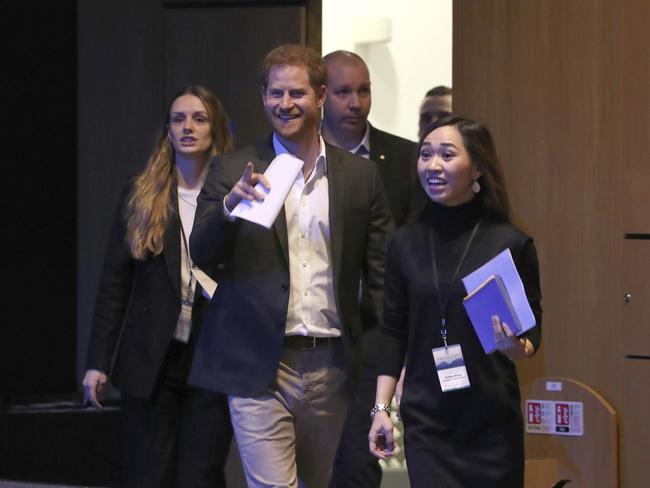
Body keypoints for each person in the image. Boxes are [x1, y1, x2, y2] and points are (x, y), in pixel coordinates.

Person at [187, 44, 392, 488]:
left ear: (320, 96)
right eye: (275, 93)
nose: (285, 104)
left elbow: (379, 279)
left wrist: (383, 364)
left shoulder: (359, 177)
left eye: (296, 93)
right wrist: (230, 205)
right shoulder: (230, 171)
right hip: (258, 364)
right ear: (263, 96)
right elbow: (201, 253)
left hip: (332, 365)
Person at [369, 115, 542, 487]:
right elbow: (394, 332)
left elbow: (532, 336)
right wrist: (382, 409)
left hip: (490, 421)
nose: (433, 165)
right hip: (428, 420)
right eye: (426, 154)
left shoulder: (510, 242)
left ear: (477, 166)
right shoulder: (405, 243)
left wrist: (514, 347)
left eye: (447, 155)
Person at [82, 85, 234, 488]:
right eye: (178, 119)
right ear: (167, 131)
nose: (187, 127)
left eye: (199, 119)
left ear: (215, 129)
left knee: (200, 474)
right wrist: (98, 360)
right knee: (148, 473)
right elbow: (115, 282)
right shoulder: (143, 195)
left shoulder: (234, 195)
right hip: (152, 357)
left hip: (211, 356)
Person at [320, 49, 421, 488]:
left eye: (363, 90)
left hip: (377, 331)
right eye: (343, 92)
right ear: (322, 96)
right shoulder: (297, 162)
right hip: (316, 331)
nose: (355, 102)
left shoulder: (404, 160)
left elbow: (415, 252)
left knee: (358, 466)